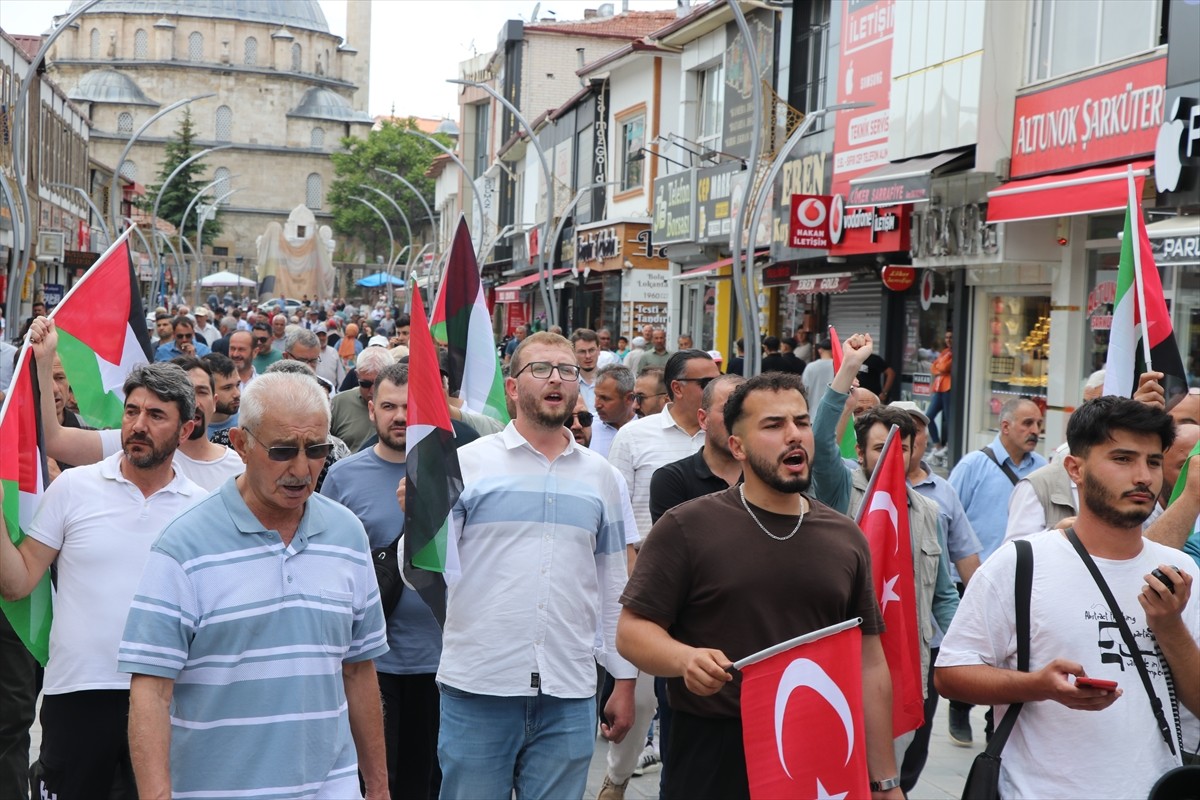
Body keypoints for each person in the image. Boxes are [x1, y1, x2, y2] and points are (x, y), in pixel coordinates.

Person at [615, 373, 902, 799]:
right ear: (738, 446)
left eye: (801, 422)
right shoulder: (686, 527)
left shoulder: (845, 536)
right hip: (713, 753)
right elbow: (631, 631)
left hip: (818, 754)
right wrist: (685, 658)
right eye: (773, 425)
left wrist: (885, 781)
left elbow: (870, 662)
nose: (794, 435)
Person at [119, 372, 389, 799]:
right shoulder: (184, 545)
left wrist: (377, 788)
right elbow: (151, 690)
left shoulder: (348, 534)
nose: (302, 469)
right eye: (282, 451)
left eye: (316, 449)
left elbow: (358, 670)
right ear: (241, 444)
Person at [936, 396, 1200, 798]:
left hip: (1155, 787)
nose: (1143, 476)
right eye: (1123, 459)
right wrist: (1037, 685)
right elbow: (951, 675)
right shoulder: (1021, 563)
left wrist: (1170, 627)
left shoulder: (1181, 571)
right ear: (1075, 469)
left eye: (1152, 461)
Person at [434, 332, 636, 799]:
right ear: (511, 388)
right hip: (479, 687)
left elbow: (612, 588)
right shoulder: (463, 464)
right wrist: (421, 520)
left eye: (567, 371)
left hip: (569, 692)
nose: (557, 379)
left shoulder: (602, 478)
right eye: (541, 369)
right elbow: (422, 570)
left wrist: (624, 679)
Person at [0, 363, 203, 800]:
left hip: (169, 699)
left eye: (156, 416)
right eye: (132, 412)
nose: (138, 425)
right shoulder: (74, 487)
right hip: (77, 694)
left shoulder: (203, 511)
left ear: (185, 429)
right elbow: (17, 583)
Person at [320, 363, 445, 799]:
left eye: (409, 407)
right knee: (377, 781)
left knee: (428, 781)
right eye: (388, 406)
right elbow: (326, 564)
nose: (399, 416)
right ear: (370, 409)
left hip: (442, 662)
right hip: (372, 663)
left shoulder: (454, 474)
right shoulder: (342, 477)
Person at [601, 351, 720, 794]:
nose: (716, 384)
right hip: (648, 582)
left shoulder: (724, 436)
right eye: (706, 379)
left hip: (707, 586)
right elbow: (615, 509)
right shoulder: (636, 436)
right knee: (643, 695)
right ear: (677, 388)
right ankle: (616, 777)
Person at [944, 395, 1046, 744]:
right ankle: (959, 708)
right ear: (1005, 427)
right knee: (970, 651)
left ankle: (994, 722)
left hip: (1021, 581)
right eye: (1027, 424)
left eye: (1038, 425)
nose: (1035, 431)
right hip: (972, 579)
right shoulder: (974, 465)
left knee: (1011, 654)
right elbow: (948, 517)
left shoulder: (1043, 469)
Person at [892, 399, 982, 793]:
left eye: (915, 430)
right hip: (875, 639)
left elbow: (963, 565)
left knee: (916, 738)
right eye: (895, 434)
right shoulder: (853, 485)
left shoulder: (939, 496)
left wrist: (972, 638)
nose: (906, 442)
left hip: (926, 639)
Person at [167, 356, 246, 491]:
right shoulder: (152, 464)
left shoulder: (239, 467)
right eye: (185, 393)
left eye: (202, 392)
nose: (194, 402)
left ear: (214, 402)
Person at [330, 346, 392, 452]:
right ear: (357, 375)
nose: (372, 391)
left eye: (378, 383)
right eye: (365, 384)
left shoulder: (405, 405)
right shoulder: (338, 404)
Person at [590, 364, 637, 459]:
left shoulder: (645, 428)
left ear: (629, 398)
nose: (597, 405)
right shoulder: (588, 427)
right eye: (596, 396)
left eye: (605, 398)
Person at [926, 331, 953, 463]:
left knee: (949, 420)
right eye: (946, 337)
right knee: (928, 416)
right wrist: (940, 368)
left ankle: (949, 447)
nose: (948, 339)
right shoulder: (945, 352)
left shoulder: (955, 352)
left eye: (951, 337)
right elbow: (934, 367)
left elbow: (944, 367)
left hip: (949, 388)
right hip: (939, 388)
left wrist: (940, 368)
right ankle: (937, 446)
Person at [201, 352, 241, 436]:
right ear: (206, 390)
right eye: (227, 388)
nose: (237, 394)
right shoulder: (189, 432)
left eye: (237, 385)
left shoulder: (247, 426)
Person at [572, 328, 603, 412]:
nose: (588, 356)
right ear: (573, 353)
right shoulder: (567, 382)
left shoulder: (609, 382)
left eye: (591, 350)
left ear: (598, 350)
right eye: (582, 351)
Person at [800, 337, 835, 410]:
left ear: (820, 350)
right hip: (833, 413)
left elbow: (804, 388)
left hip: (813, 412)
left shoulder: (810, 367)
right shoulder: (838, 366)